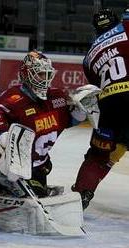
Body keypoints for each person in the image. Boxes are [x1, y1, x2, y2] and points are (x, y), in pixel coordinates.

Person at [0, 50, 88, 198]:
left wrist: (79, 114)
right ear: (27, 74)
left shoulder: (57, 97)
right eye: (40, 74)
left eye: (47, 74)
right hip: (5, 166)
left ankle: (5, 191)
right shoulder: (14, 98)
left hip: (38, 167)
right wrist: (3, 138)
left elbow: (65, 120)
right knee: (32, 196)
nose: (45, 79)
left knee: (36, 195)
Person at [71, 8, 129, 209]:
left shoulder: (88, 57)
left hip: (109, 105)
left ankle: (80, 196)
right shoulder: (125, 28)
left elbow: (97, 87)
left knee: (99, 155)